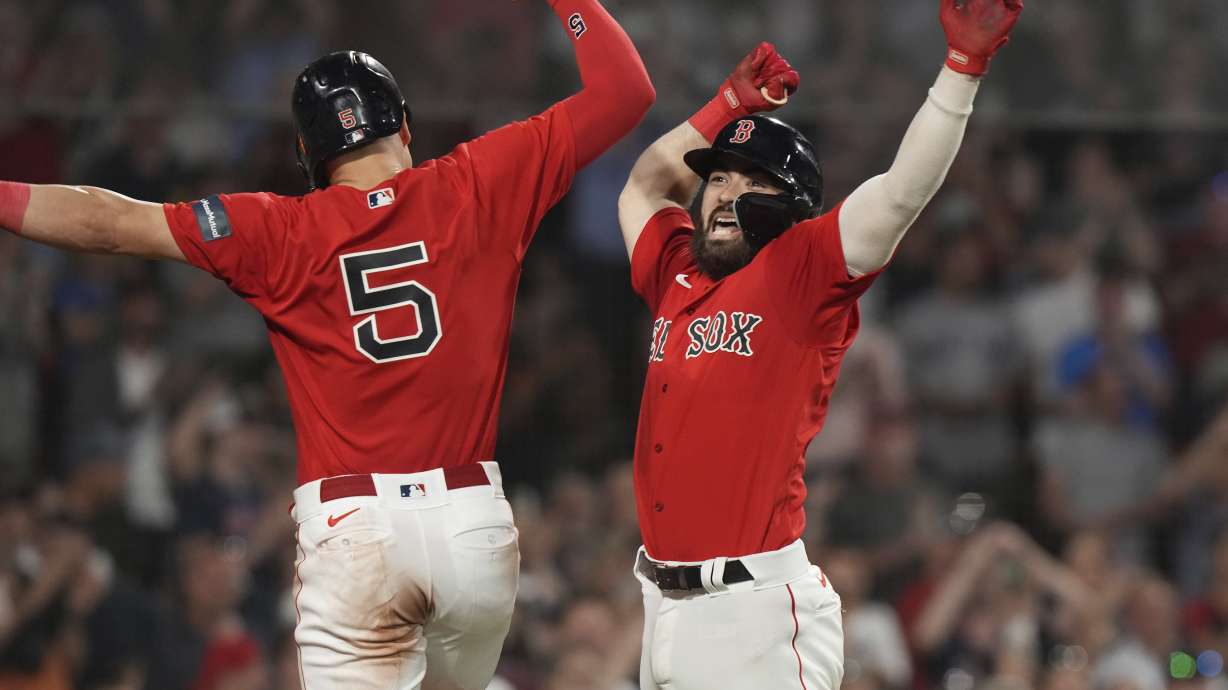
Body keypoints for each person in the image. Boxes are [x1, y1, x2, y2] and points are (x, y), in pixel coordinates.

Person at [0, 0, 654, 686]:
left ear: (309, 157)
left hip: (358, 529)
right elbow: (627, 90)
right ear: (403, 125)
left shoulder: (275, 231)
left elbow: (107, 221)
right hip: (472, 528)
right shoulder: (479, 181)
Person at [615, 1, 1022, 687]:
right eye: (717, 176)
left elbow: (898, 196)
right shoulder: (677, 274)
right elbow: (646, 183)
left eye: (749, 180)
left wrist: (961, 70)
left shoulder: (801, 272)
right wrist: (726, 104)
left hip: (754, 612)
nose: (722, 193)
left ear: (789, 205)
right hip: (662, 603)